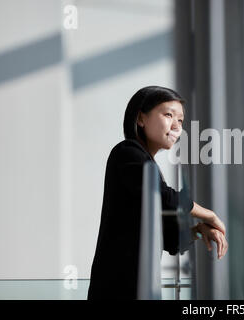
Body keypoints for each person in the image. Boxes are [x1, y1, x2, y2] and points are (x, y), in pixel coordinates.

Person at [87, 86, 228, 300]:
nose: (176, 126)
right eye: (168, 115)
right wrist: (208, 214)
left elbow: (170, 239)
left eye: (180, 120)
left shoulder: (148, 165)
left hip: (140, 288)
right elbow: (166, 197)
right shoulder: (127, 153)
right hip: (117, 288)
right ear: (141, 118)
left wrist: (199, 230)